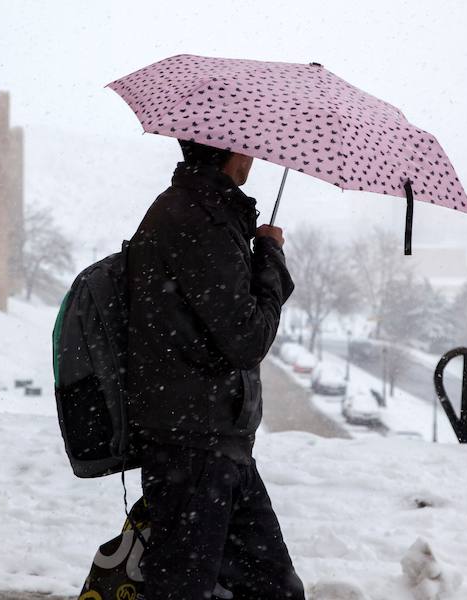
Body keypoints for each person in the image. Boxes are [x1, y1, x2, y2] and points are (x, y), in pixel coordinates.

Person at [125, 139, 305, 599]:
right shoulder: (199, 221)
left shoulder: (201, 213)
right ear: (233, 152)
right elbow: (248, 338)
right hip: (194, 443)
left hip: (212, 439)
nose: (257, 157)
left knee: (273, 589)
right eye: (251, 148)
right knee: (188, 588)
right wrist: (270, 258)